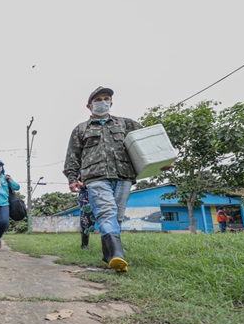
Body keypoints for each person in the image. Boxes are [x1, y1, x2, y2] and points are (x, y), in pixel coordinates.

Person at [63, 86, 172, 272]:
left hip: (124, 175)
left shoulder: (126, 124)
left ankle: (109, 257)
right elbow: (73, 155)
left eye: (106, 99)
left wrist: (163, 159)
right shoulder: (81, 129)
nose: (102, 102)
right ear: (89, 106)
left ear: (111, 103)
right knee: (106, 212)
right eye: (98, 100)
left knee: (117, 217)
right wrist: (72, 178)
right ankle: (118, 255)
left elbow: (148, 142)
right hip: (95, 176)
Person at [76, 174, 95, 249]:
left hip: (103, 189)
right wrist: (77, 182)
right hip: (86, 192)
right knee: (86, 219)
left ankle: (111, 246)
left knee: (107, 216)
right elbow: (72, 173)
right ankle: (84, 244)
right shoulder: (80, 164)